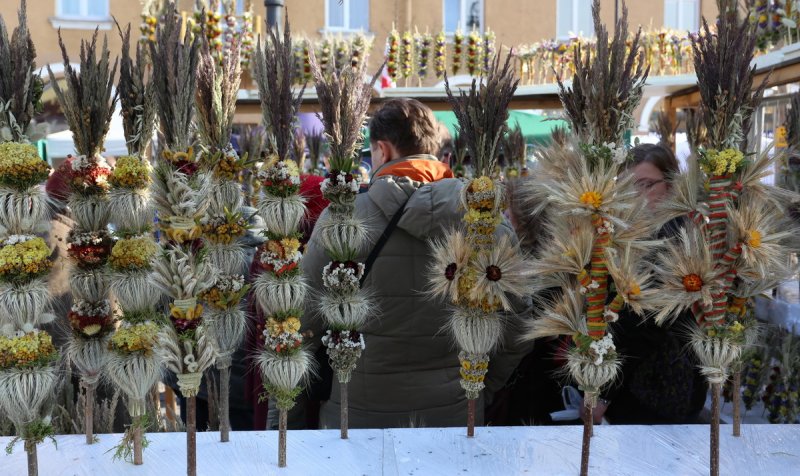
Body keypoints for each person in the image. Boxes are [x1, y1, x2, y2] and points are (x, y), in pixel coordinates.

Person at [289, 98, 531, 429]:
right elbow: (520, 323)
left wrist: (291, 418)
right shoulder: (486, 222)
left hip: (355, 419)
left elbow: (300, 325)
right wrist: (479, 389)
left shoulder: (342, 218)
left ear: (382, 150)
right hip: (456, 417)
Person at [590, 143, 707, 425]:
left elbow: (641, 326)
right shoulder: (637, 233)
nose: (637, 197)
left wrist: (603, 394)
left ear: (669, 185)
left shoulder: (672, 237)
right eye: (627, 187)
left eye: (646, 185)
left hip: (658, 387)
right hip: (654, 385)